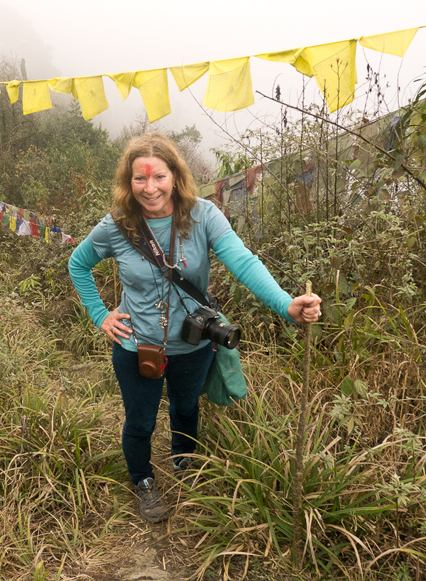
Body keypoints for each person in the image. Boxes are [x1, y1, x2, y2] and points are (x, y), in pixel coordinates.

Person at [68, 133, 322, 523]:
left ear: (174, 176)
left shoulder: (203, 215)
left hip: (194, 341)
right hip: (138, 346)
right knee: (141, 420)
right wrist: (100, 315)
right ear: (128, 181)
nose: (150, 188)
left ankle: (185, 467)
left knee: (186, 409)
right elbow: (78, 264)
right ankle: (144, 482)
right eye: (140, 179)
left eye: (158, 177)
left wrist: (285, 304)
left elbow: (244, 262)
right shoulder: (117, 226)